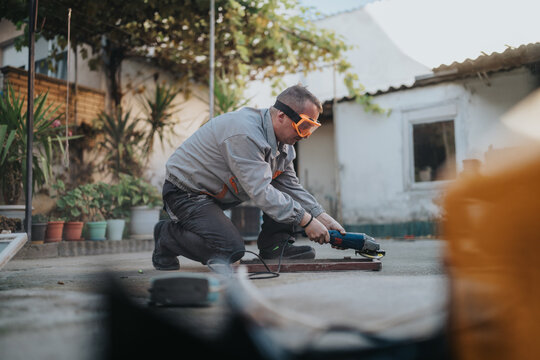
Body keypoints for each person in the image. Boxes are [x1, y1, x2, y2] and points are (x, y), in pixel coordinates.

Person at [152, 84, 346, 270]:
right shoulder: (245, 134)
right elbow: (261, 192)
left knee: (284, 195)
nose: (306, 136)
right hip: (185, 192)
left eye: (311, 128)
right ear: (281, 116)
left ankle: (275, 247)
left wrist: (322, 217)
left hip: (214, 194)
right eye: (304, 126)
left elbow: (291, 188)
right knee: (229, 250)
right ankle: (166, 236)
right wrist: (307, 221)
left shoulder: (285, 147)